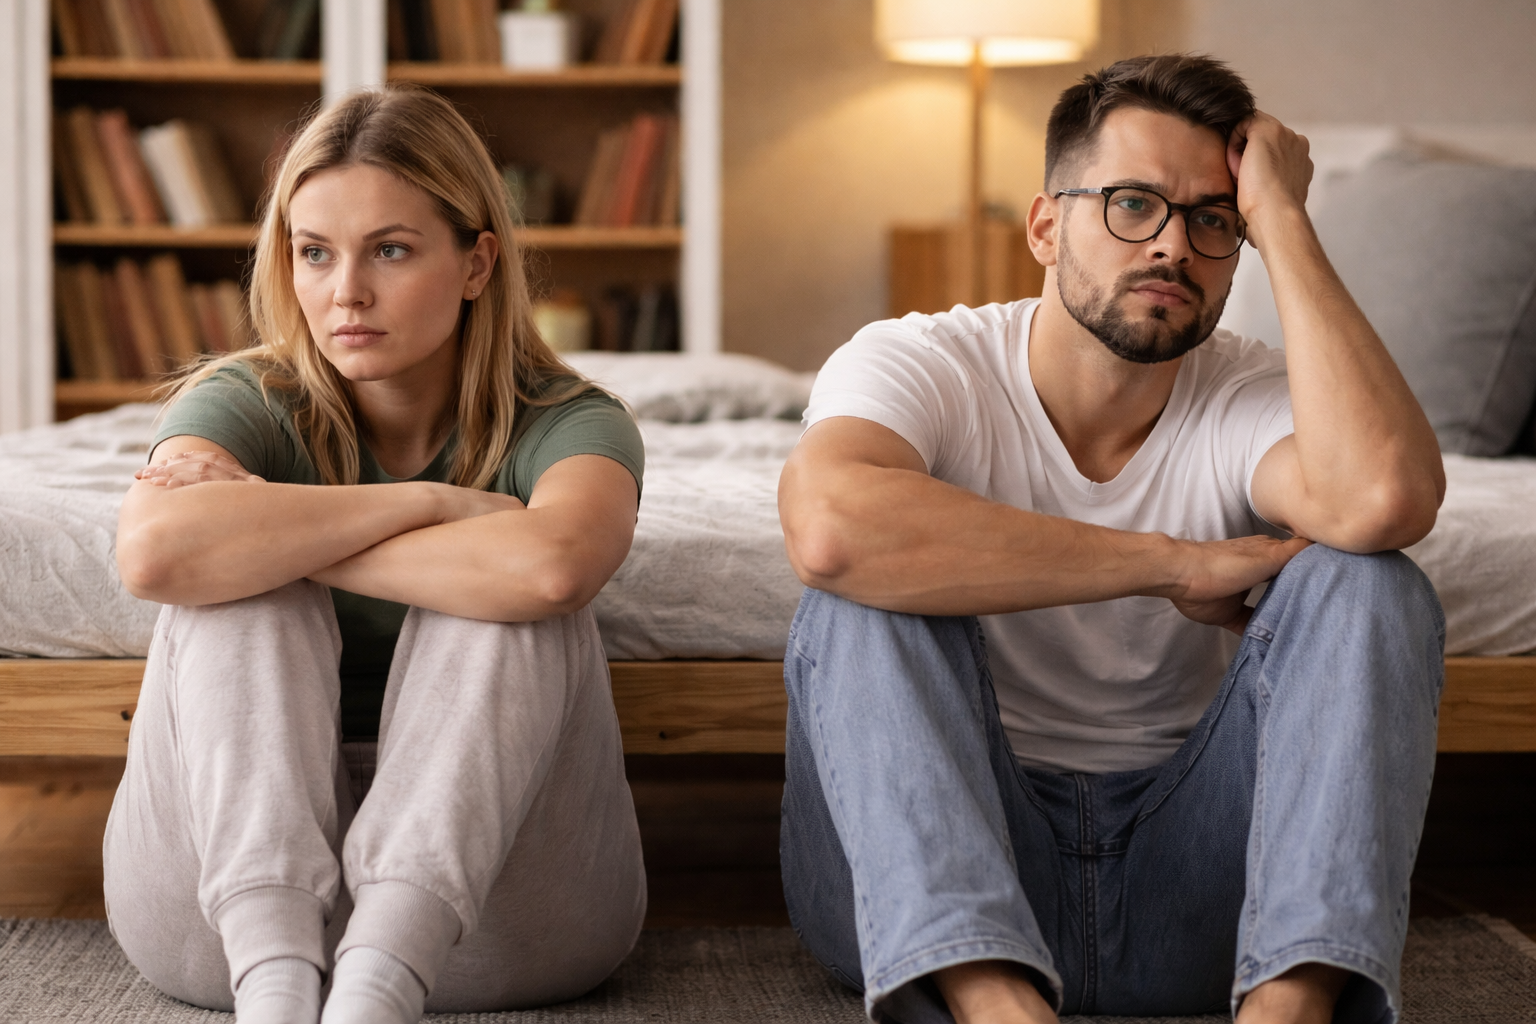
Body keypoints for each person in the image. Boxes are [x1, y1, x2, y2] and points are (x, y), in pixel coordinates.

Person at [776, 54, 1446, 1024]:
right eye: (1133, 204)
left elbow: (1385, 497)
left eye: (1214, 220)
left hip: (1202, 890)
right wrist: (1174, 564)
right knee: (862, 589)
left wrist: (1286, 220)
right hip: (931, 885)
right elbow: (831, 528)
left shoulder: (1249, 391)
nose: (1173, 245)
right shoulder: (921, 361)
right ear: (1046, 227)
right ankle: (992, 1001)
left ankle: (1290, 1006)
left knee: (1372, 579)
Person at [107, 86, 647, 1024]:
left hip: (497, 922)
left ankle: (375, 991)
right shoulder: (246, 397)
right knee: (240, 592)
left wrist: (275, 527)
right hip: (220, 926)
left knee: (502, 598)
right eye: (314, 252)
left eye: (389, 250)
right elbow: (153, 555)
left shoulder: (569, 420)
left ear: (477, 263)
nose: (344, 292)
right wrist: (431, 503)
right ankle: (280, 986)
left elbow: (552, 567)